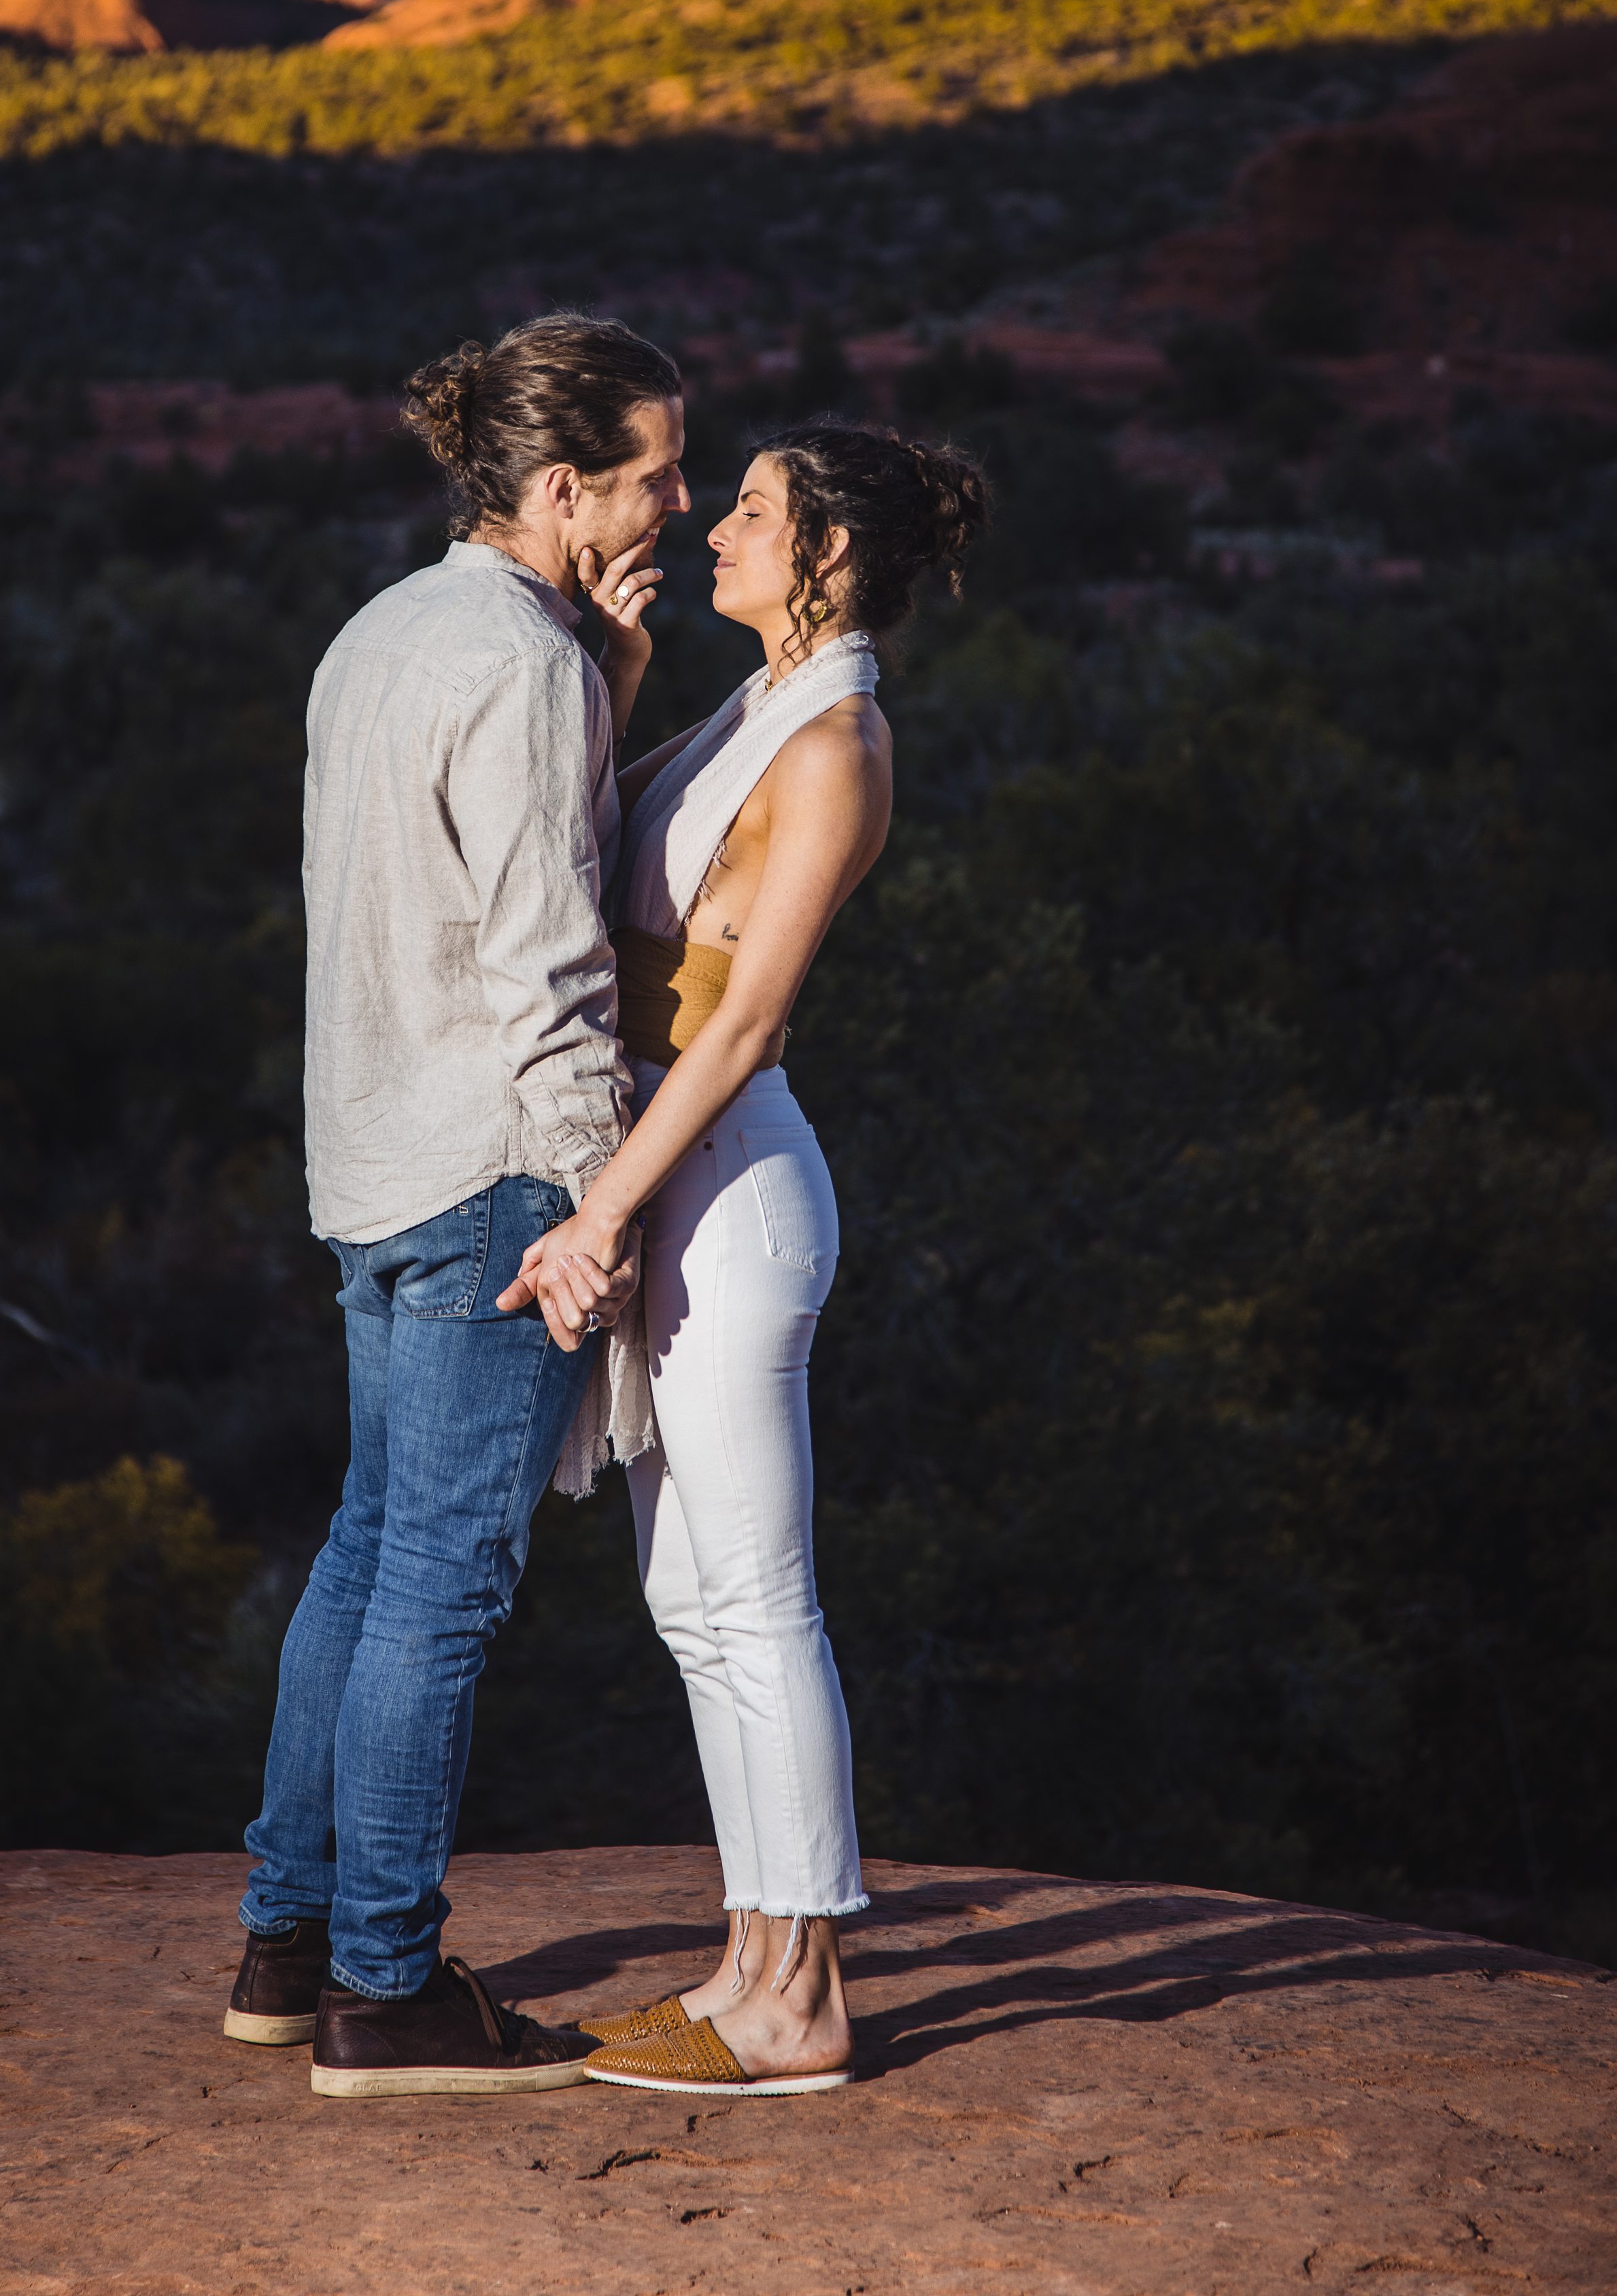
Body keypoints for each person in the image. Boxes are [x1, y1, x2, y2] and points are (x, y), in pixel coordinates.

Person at [224, 311, 690, 2100]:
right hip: (494, 1162)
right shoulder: (526, 662)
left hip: (369, 1154)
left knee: (367, 1544)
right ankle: (386, 1986)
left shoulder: (391, 631)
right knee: (448, 1567)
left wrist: (619, 674)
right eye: (654, 468)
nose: (678, 492)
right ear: (563, 486)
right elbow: (551, 957)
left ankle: (289, 1940)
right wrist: (603, 1203)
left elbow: (453, 872)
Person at [500, 419, 988, 2097]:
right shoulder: (754, 701)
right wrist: (623, 665)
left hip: (729, 1187)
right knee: (689, 1598)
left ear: (832, 553)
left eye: (759, 512)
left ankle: (807, 2000)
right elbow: (610, 849)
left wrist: (602, 1209)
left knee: (759, 1598)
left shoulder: (838, 737)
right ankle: (748, 1960)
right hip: (671, 1167)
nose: (714, 527)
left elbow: (748, 1018)